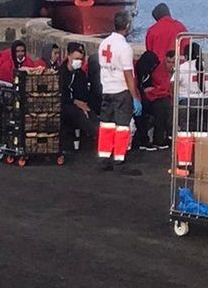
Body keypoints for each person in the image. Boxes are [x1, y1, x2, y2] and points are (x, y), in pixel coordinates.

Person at [96, 11, 141, 171]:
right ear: (128, 26)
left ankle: (104, 156)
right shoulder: (124, 47)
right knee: (122, 126)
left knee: (106, 125)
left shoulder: (104, 44)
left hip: (107, 89)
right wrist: (135, 97)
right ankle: (119, 157)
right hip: (121, 91)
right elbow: (128, 74)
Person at [60, 42, 99, 154]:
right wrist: (75, 102)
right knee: (79, 115)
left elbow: (84, 93)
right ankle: (96, 132)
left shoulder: (80, 74)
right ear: (69, 56)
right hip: (66, 105)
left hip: (81, 104)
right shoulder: (61, 73)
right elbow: (61, 94)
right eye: (76, 58)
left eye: (81, 59)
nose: (79, 61)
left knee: (91, 114)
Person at [138, 49, 176, 150]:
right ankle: (158, 139)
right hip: (155, 99)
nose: (171, 65)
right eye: (169, 62)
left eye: (173, 62)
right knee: (162, 106)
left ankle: (164, 137)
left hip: (164, 97)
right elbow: (163, 88)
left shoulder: (178, 71)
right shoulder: (159, 71)